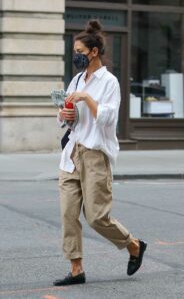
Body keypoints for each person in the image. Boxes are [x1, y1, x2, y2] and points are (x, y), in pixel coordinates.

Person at [53, 20, 147, 286]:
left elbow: (107, 120)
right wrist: (65, 114)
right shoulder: (76, 80)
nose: (76, 57)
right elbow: (67, 117)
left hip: (95, 155)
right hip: (71, 153)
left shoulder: (110, 82)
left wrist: (87, 99)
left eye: (80, 52)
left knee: (96, 217)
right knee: (68, 214)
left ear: (94, 52)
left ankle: (134, 245)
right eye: (75, 52)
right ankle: (76, 269)